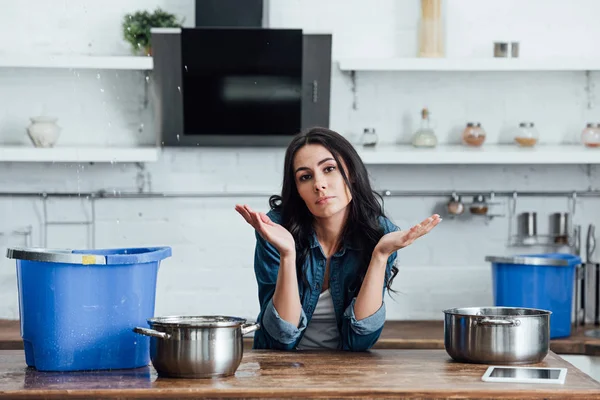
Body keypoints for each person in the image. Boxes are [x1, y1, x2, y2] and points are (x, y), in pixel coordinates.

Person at [235, 127, 441, 351]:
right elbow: (280, 338)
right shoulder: (276, 229)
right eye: (305, 177)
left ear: (350, 173)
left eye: (329, 169)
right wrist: (287, 254)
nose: (319, 184)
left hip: (346, 371)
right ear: (297, 190)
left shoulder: (379, 233)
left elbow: (359, 341)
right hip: (279, 371)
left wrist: (380, 256)